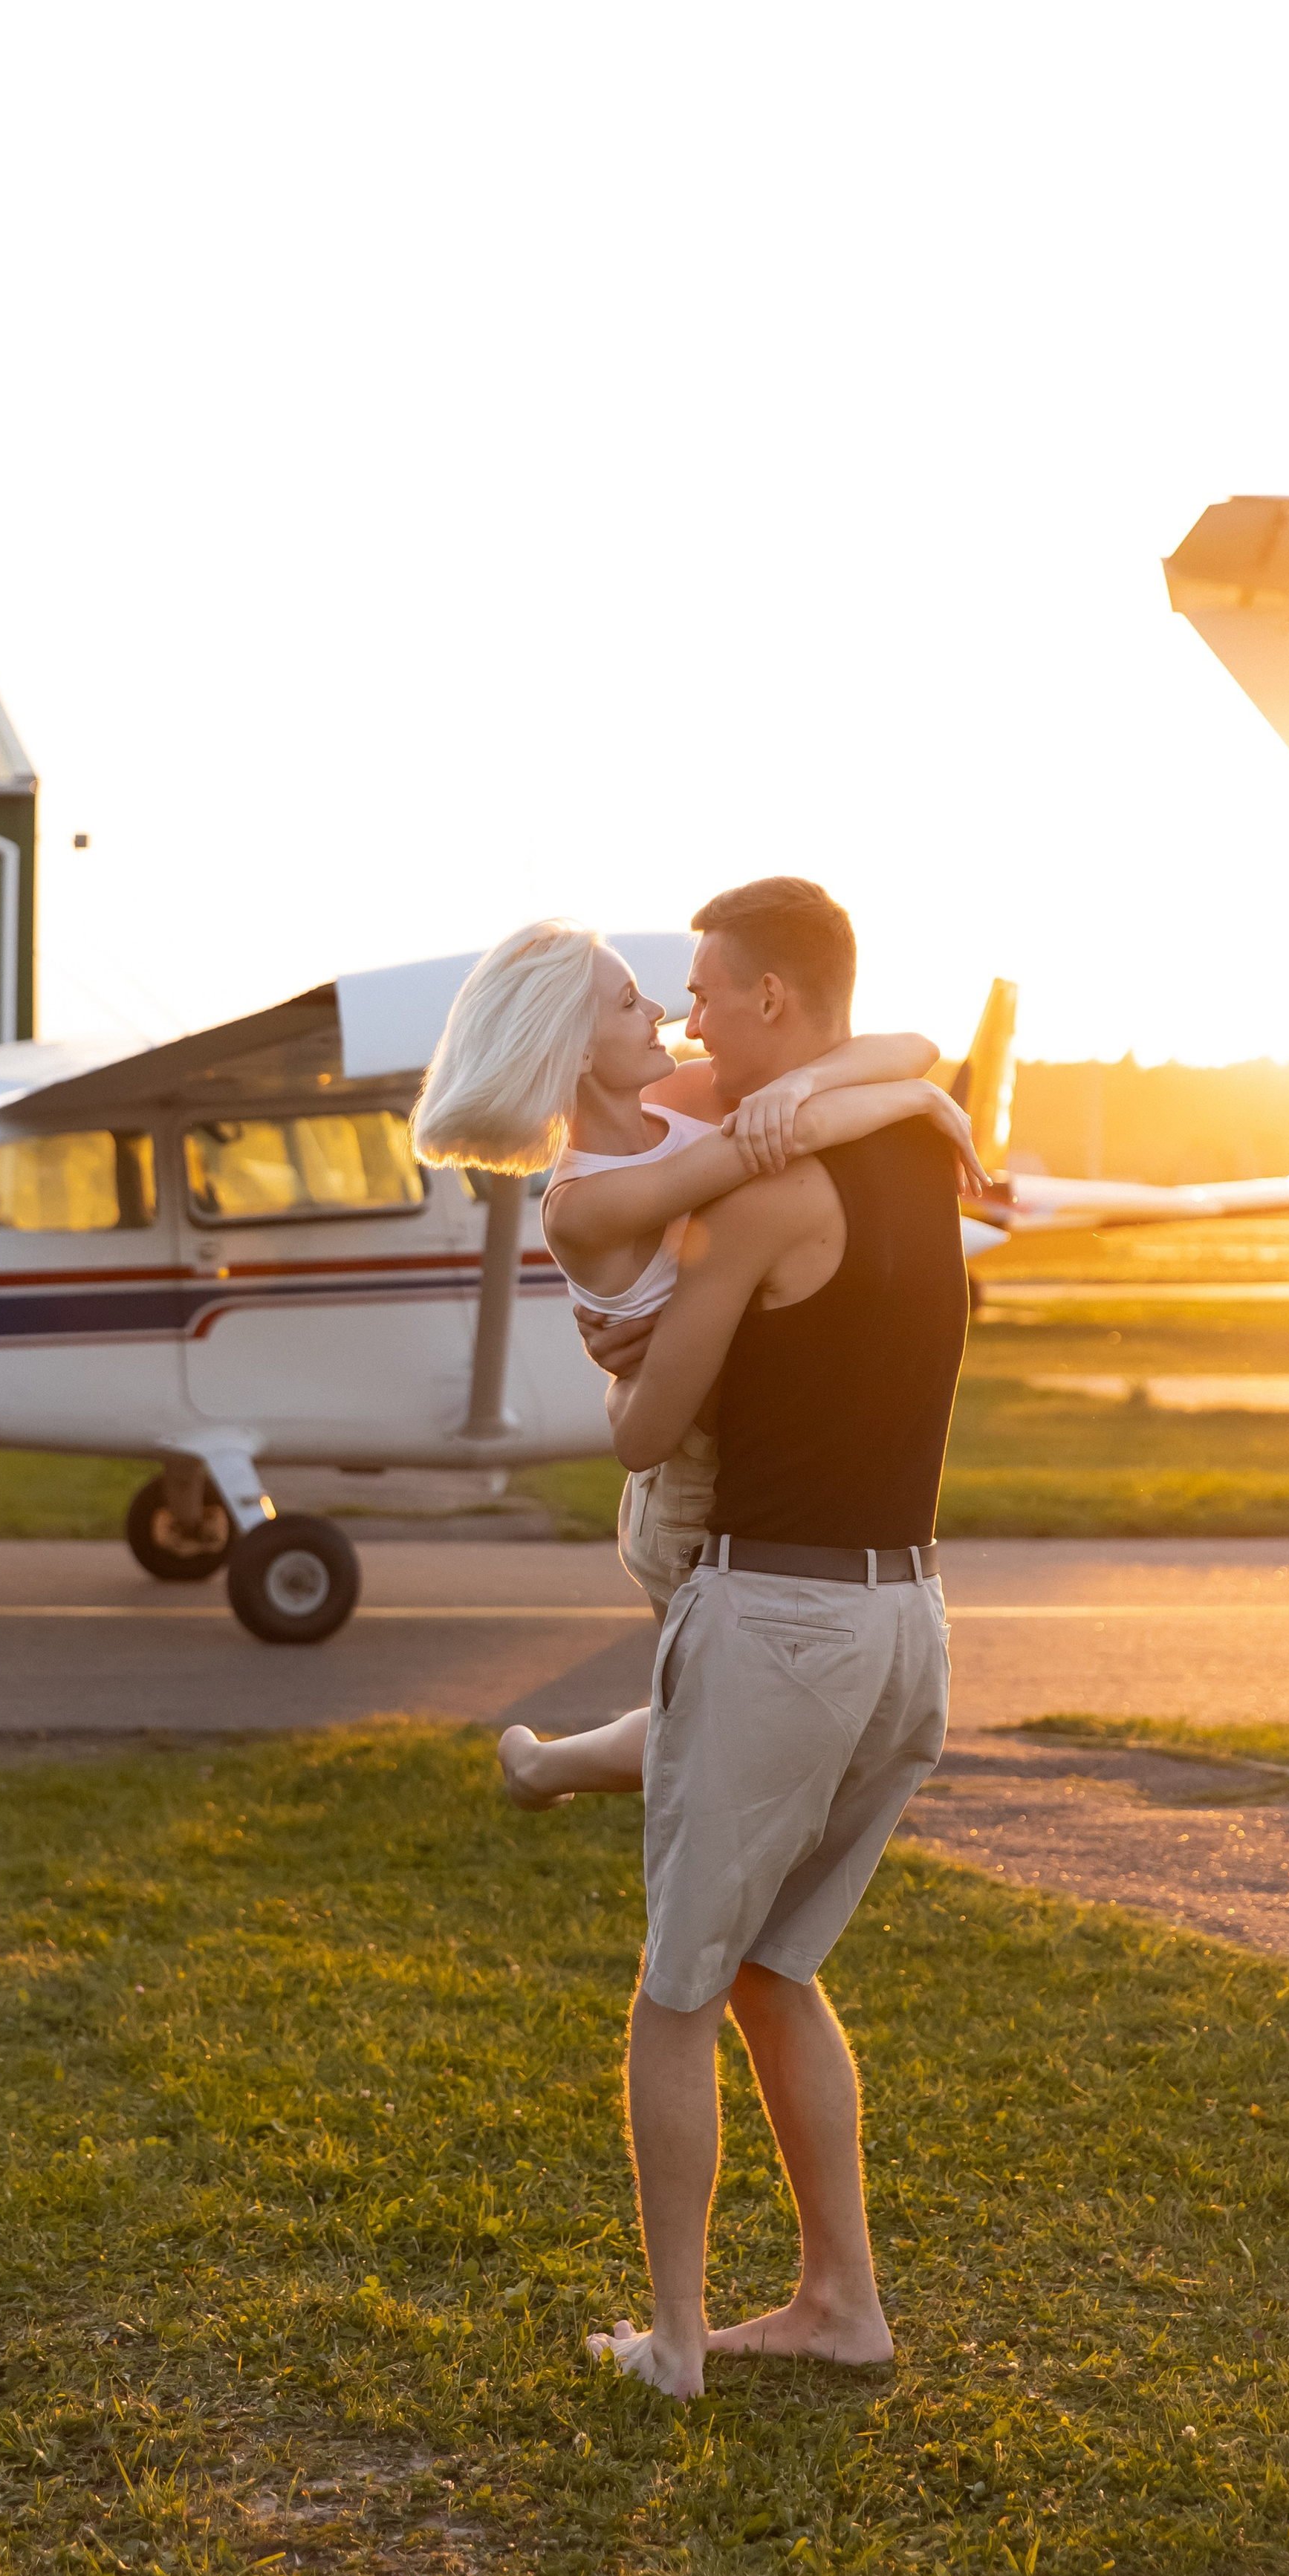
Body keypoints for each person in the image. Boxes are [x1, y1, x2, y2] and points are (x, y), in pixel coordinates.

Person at [566, 877, 969, 2400]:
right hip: (905, 1620)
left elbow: (641, 1436)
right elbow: (899, 1060)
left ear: (773, 1001)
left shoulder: (761, 1197)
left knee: (677, 1991)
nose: (686, 1018)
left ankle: (673, 2345)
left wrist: (619, 1352)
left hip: (780, 1618)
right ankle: (838, 2305)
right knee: (771, 1972)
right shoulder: (916, 1146)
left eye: (703, 991)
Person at [409, 918, 978, 1807]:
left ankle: (544, 1768)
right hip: (687, 1489)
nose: (661, 1011)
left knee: (722, 1725)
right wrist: (916, 1104)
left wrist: (829, 1081)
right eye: (628, 1001)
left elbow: (913, 1045)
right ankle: (550, 1772)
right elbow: (777, 1141)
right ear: (576, 1046)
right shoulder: (584, 1202)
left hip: (744, 1453)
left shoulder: (675, 1096)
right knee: (727, 1734)